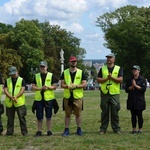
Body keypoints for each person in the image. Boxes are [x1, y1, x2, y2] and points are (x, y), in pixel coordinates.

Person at [60, 56, 87, 136]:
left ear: (76, 62)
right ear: (69, 62)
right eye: (72, 61)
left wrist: (76, 86)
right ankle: (66, 129)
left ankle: (79, 129)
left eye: (75, 61)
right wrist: (68, 86)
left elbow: (84, 84)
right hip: (67, 97)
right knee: (67, 114)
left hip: (77, 97)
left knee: (78, 114)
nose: (73, 62)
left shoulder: (81, 72)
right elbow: (62, 84)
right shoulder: (65, 72)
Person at [97, 53, 123, 135]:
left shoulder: (119, 68)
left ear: (114, 59)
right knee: (104, 111)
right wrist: (106, 79)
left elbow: (120, 80)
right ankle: (103, 129)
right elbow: (98, 79)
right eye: (107, 58)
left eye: (110, 58)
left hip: (114, 93)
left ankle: (116, 128)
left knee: (115, 111)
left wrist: (111, 78)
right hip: (105, 92)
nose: (109, 59)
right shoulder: (102, 69)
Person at [32, 61, 58, 137]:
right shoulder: (36, 76)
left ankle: (49, 131)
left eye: (43, 66)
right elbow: (33, 87)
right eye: (41, 67)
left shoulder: (51, 75)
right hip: (39, 99)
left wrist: (48, 87)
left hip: (48, 99)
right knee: (39, 117)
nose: (42, 68)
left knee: (48, 116)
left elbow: (54, 86)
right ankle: (39, 131)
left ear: (46, 67)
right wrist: (41, 88)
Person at [4, 66, 28, 136]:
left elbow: (22, 89)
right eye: (11, 74)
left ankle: (24, 132)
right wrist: (10, 97)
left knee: (22, 118)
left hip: (19, 102)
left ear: (17, 72)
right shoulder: (7, 80)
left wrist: (16, 97)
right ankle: (9, 132)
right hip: (10, 102)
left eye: (14, 74)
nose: (13, 76)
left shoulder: (21, 80)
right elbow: (5, 89)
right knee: (10, 119)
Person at [125, 65, 146, 134]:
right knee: (133, 115)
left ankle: (140, 129)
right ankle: (134, 129)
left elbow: (143, 89)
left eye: (135, 70)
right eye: (133, 70)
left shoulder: (142, 79)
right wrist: (132, 86)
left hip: (139, 100)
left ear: (139, 71)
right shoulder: (129, 80)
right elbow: (126, 90)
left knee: (139, 115)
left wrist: (136, 86)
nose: (134, 71)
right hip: (131, 100)